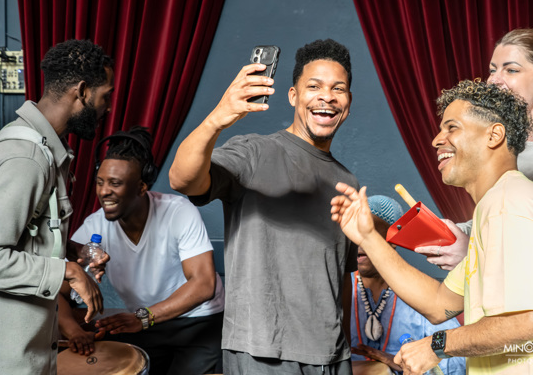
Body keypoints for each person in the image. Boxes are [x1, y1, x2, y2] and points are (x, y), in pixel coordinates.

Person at [331, 80, 533, 374]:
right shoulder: (496, 207)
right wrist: (368, 236)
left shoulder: (509, 203)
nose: (436, 140)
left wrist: (435, 346)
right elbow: (438, 304)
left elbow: (529, 321)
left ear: (494, 135)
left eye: (451, 128)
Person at [169, 39, 358, 374]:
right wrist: (217, 119)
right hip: (263, 353)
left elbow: (341, 275)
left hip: (331, 357)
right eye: (314, 86)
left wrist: (341, 347)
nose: (327, 96)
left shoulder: (348, 182)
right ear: (293, 96)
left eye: (338, 89)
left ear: (348, 102)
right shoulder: (253, 153)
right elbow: (182, 179)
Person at [416, 29, 533, 343]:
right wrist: (456, 232)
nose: (495, 80)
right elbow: (513, 220)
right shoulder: (509, 146)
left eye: (511, 70)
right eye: (493, 69)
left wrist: (474, 255)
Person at [0, 39, 112, 375]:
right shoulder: (27, 158)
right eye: (106, 96)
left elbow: (24, 238)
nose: (108, 108)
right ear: (82, 91)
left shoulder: (46, 151)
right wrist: (69, 272)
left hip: (31, 351)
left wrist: (75, 252)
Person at [59, 126, 225, 375]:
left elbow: (203, 284)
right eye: (100, 182)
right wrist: (74, 331)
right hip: (144, 323)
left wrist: (143, 317)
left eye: (115, 183)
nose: (104, 191)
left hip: (198, 322)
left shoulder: (179, 211)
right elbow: (58, 290)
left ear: (141, 186)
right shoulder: (95, 226)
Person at [351, 196, 465, 375]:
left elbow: (458, 361)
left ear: (392, 242)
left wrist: (402, 363)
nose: (359, 241)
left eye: (369, 234)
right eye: (354, 233)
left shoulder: (419, 291)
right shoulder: (336, 288)